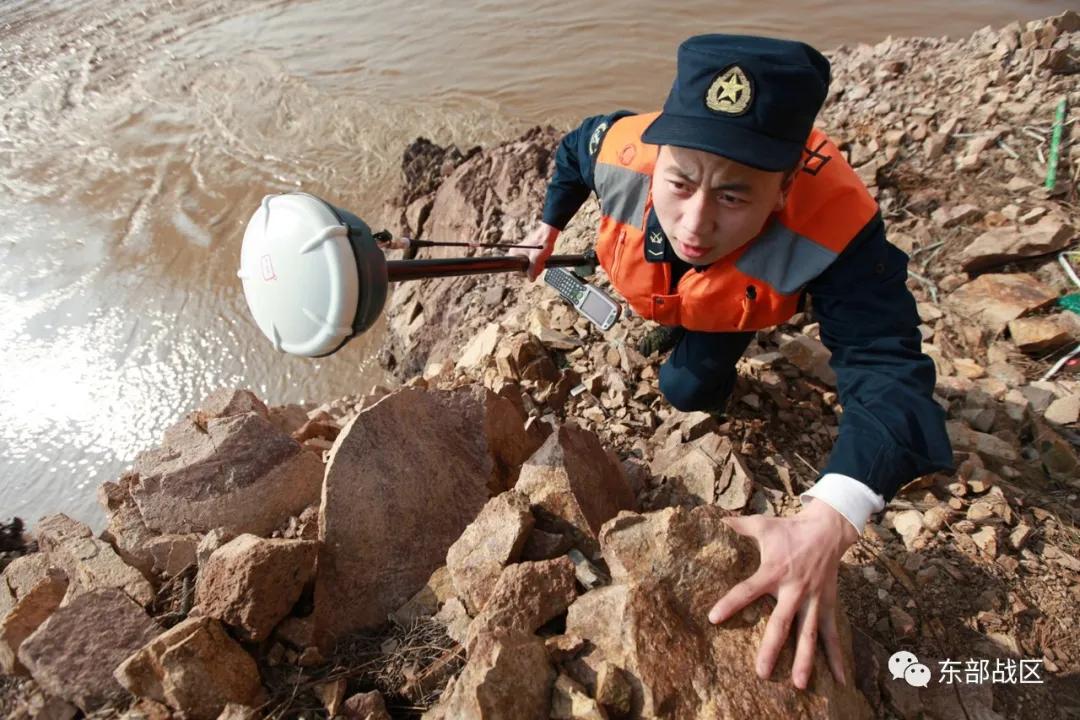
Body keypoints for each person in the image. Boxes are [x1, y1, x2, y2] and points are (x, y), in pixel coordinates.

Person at [511, 34, 953, 689]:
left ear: (783, 191)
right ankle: (675, 312)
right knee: (671, 318)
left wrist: (833, 515)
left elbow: (888, 369)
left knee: (686, 388)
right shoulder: (625, 147)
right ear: (660, 156)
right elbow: (575, 149)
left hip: (733, 307)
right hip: (659, 287)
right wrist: (549, 225)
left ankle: (713, 357)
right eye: (679, 182)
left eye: (733, 197)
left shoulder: (837, 224)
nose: (694, 224)